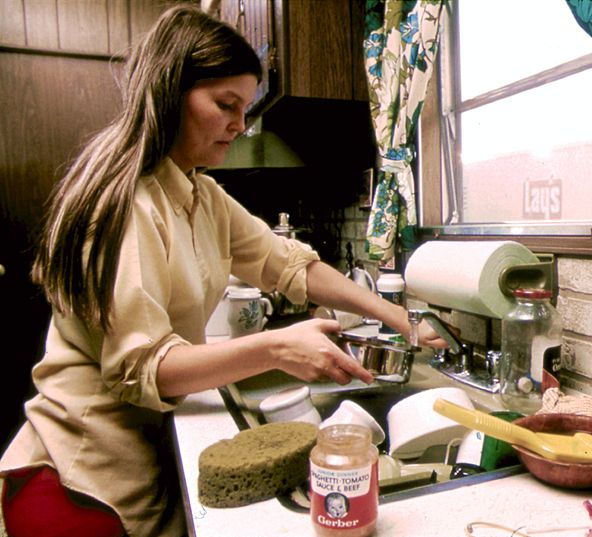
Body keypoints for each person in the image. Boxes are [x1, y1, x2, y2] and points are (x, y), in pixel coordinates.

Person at [0, 6, 445, 537]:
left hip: (134, 468)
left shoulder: (199, 194)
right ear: (169, 94)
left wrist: (398, 317)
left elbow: (290, 266)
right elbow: (147, 368)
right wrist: (278, 348)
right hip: (80, 484)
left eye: (246, 107)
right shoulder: (125, 205)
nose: (240, 124)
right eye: (225, 104)